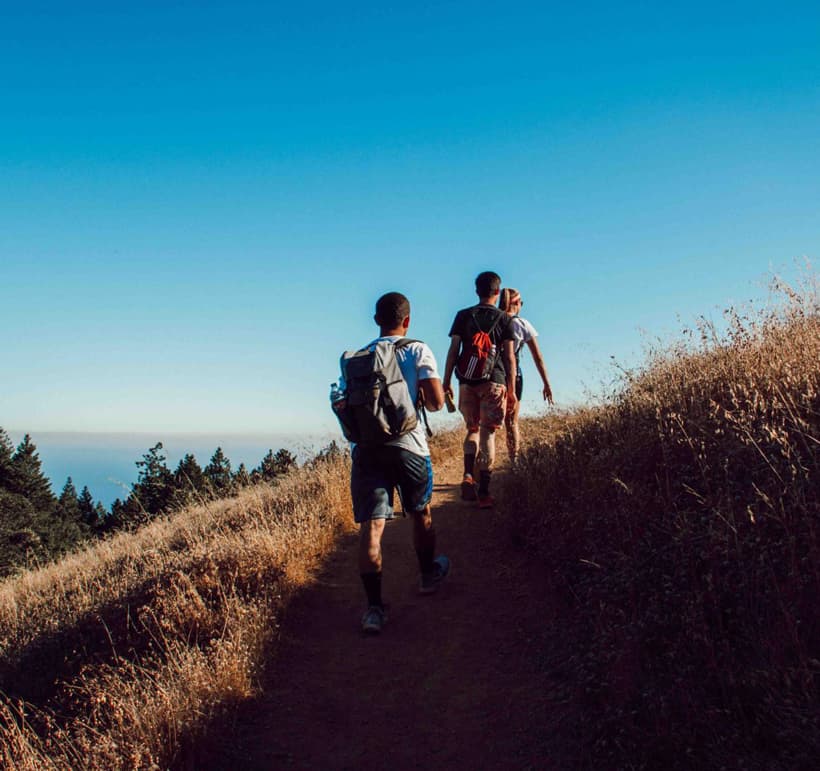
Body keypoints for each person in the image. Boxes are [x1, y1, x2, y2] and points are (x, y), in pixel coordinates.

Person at [348, 292, 449, 635]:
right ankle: (427, 576)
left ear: (376, 320)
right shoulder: (418, 349)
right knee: (420, 511)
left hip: (367, 450)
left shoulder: (358, 357)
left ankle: (374, 609)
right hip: (409, 447)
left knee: (372, 527)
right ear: (408, 320)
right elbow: (436, 404)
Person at [443, 271, 516, 509]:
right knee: (488, 434)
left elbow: (454, 350)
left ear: (477, 291)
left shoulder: (463, 316)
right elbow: (509, 357)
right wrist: (512, 390)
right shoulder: (505, 319)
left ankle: (467, 474)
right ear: (498, 292)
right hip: (494, 381)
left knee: (472, 429)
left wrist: (446, 382)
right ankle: (484, 493)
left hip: (466, 381)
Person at [498, 287, 554, 463]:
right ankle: (514, 461)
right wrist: (546, 383)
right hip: (513, 374)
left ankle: (482, 466)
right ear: (515, 303)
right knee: (511, 422)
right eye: (521, 303)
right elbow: (537, 357)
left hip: (492, 374)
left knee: (486, 424)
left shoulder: (494, 320)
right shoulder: (522, 324)